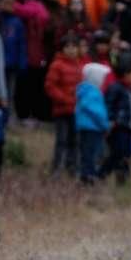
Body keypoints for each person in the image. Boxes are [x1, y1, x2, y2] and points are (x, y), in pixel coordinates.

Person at [8, 0, 49, 124]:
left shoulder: (33, 2)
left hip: (32, 49)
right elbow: (32, 12)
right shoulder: (5, 3)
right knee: (13, 85)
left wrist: (21, 9)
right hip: (12, 49)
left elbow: (44, 16)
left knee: (30, 84)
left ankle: (28, 115)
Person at [100, 52, 131, 183]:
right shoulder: (115, 89)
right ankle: (101, 174)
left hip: (129, 129)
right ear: (125, 74)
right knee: (117, 154)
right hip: (118, 129)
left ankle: (123, 180)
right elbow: (108, 106)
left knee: (126, 155)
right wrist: (111, 120)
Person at [45, 34, 84, 175]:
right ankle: (57, 167)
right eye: (68, 47)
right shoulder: (57, 65)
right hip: (61, 109)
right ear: (62, 49)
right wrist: (64, 98)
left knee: (75, 140)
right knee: (61, 140)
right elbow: (50, 86)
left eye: (74, 46)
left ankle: (72, 166)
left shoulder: (80, 65)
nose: (71, 50)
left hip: (77, 110)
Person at [75, 63, 111, 184]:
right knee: (91, 153)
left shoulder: (84, 91)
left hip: (86, 127)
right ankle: (89, 175)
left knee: (86, 152)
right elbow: (97, 112)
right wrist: (105, 125)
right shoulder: (93, 93)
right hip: (93, 128)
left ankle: (86, 174)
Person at [0, 0, 27, 120]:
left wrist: (21, 62)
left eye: (10, 3)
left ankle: (8, 116)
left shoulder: (17, 22)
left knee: (10, 91)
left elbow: (21, 43)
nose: (8, 5)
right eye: (5, 3)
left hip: (11, 63)